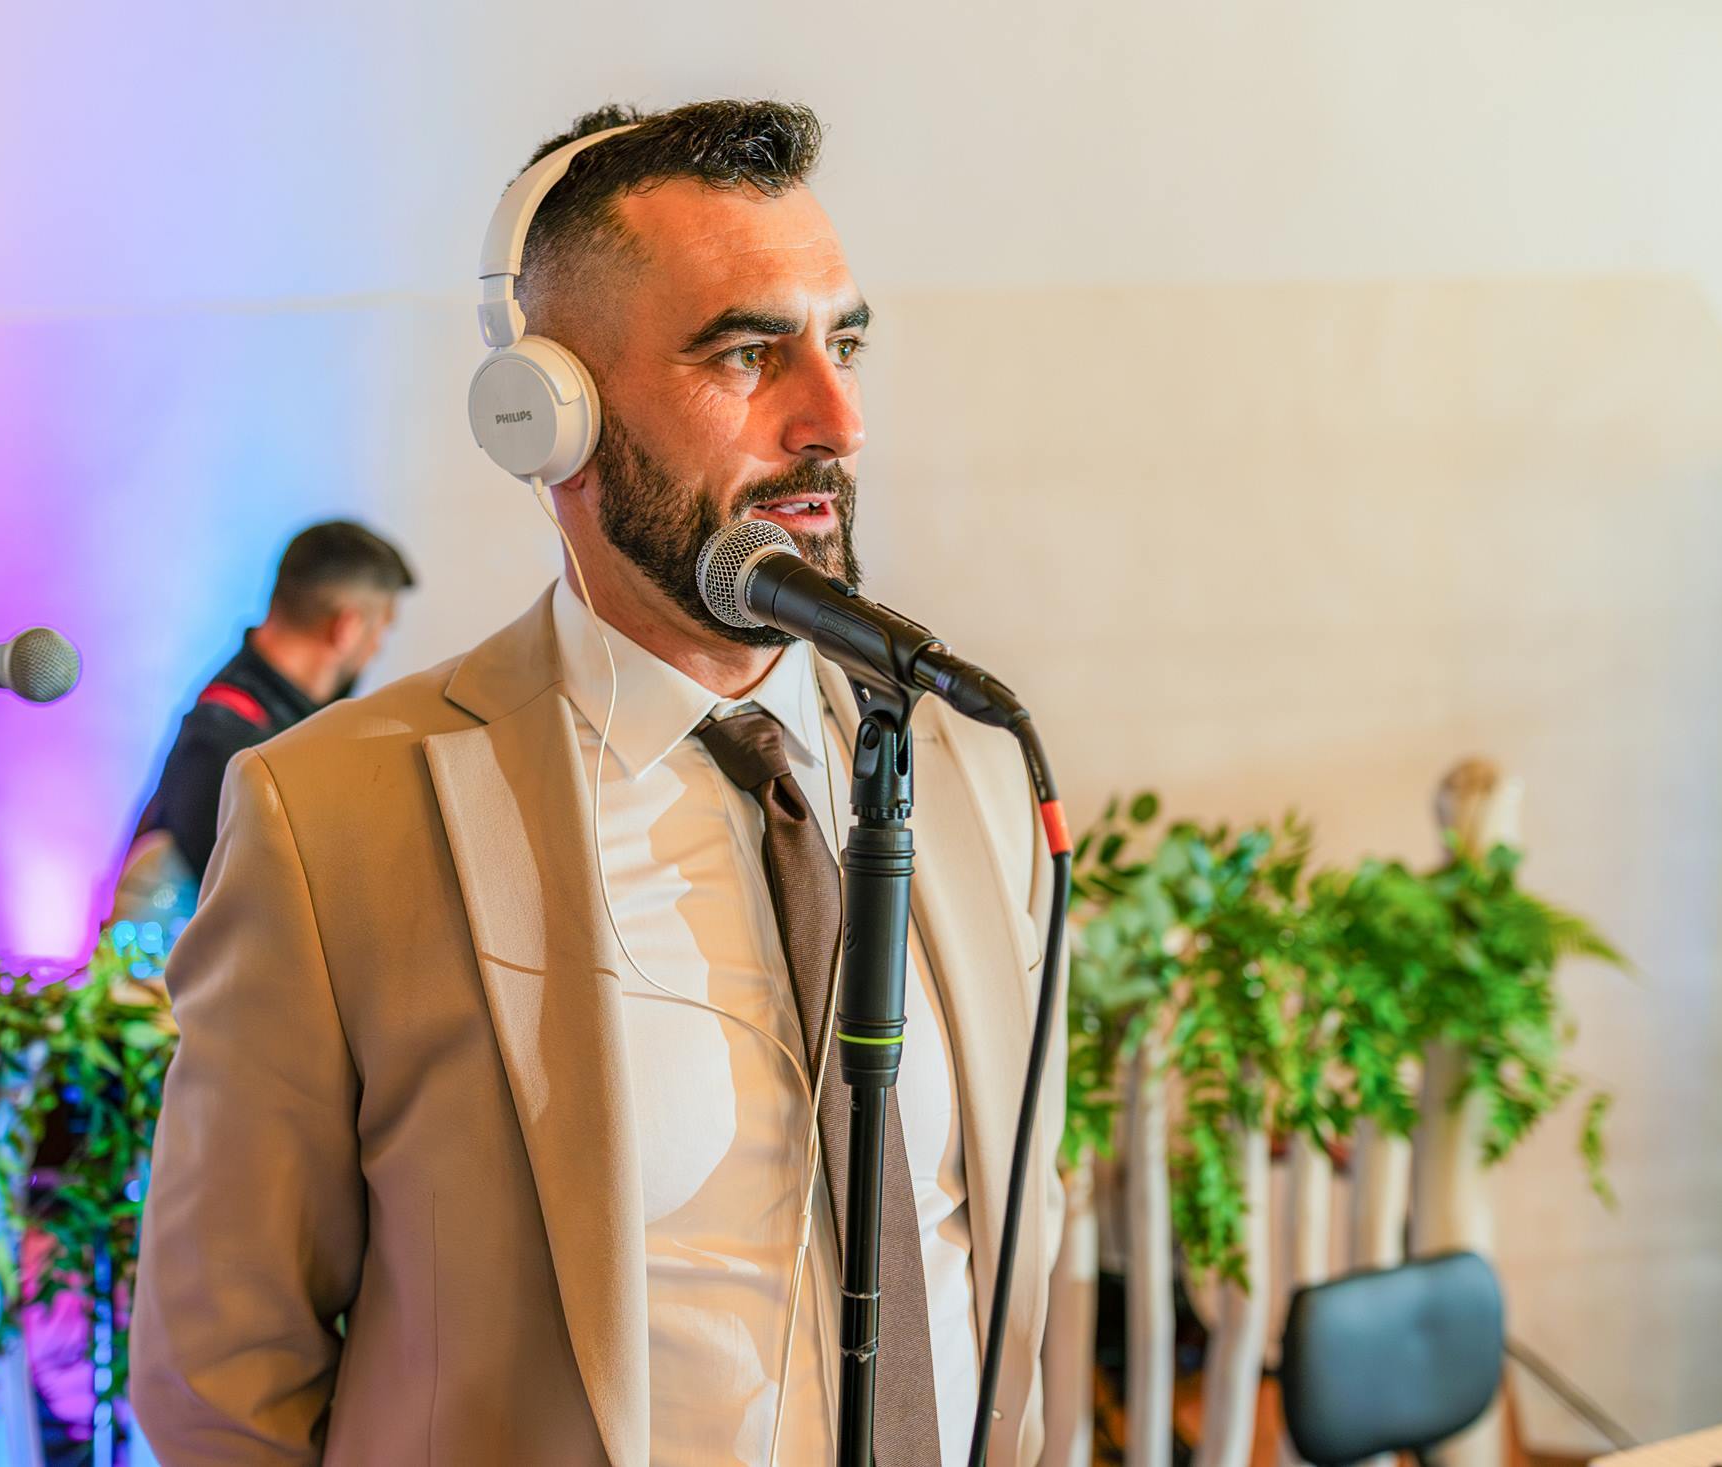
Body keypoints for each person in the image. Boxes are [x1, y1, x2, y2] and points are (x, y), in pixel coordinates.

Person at [133, 100, 1069, 1466]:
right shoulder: (334, 816)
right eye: (748, 352)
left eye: (846, 343)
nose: (838, 419)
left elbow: (1007, 1268)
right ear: (546, 416)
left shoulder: (969, 772)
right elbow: (223, 1375)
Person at [114, 521, 412, 924]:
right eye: (382, 629)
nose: (377, 647)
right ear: (347, 628)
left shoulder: (254, 725)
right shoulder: (229, 744)